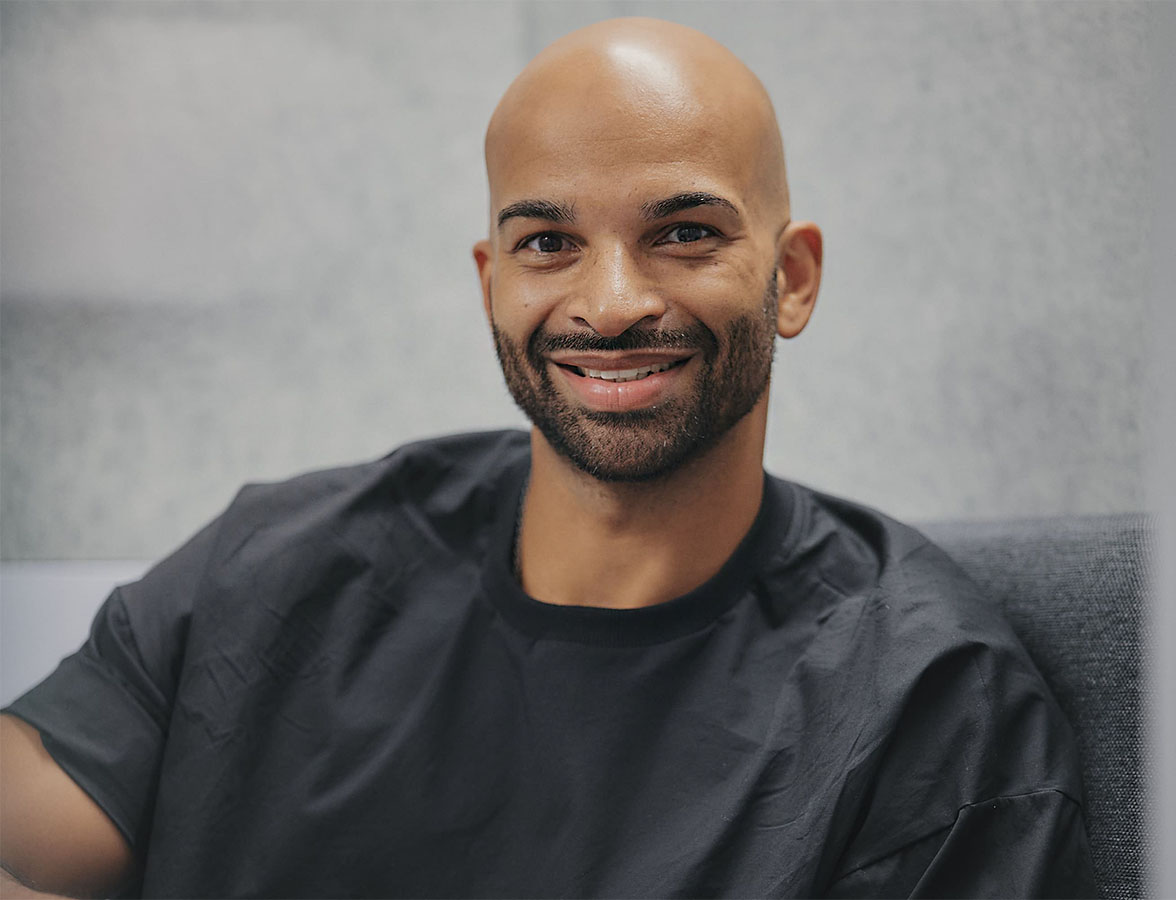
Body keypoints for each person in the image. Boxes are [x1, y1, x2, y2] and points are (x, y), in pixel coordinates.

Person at [1, 17, 1095, 899]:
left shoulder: (930, 707)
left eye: (685, 232)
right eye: (548, 244)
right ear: (491, 281)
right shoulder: (278, 564)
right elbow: (33, 843)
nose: (610, 303)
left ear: (793, 277)